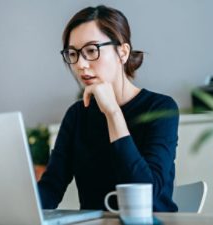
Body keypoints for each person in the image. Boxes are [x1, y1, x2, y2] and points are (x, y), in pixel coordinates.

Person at [37, 5, 179, 212]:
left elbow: (146, 197)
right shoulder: (76, 115)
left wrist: (112, 112)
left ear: (123, 52)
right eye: (73, 53)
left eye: (92, 50)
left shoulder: (160, 108)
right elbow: (50, 190)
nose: (81, 64)